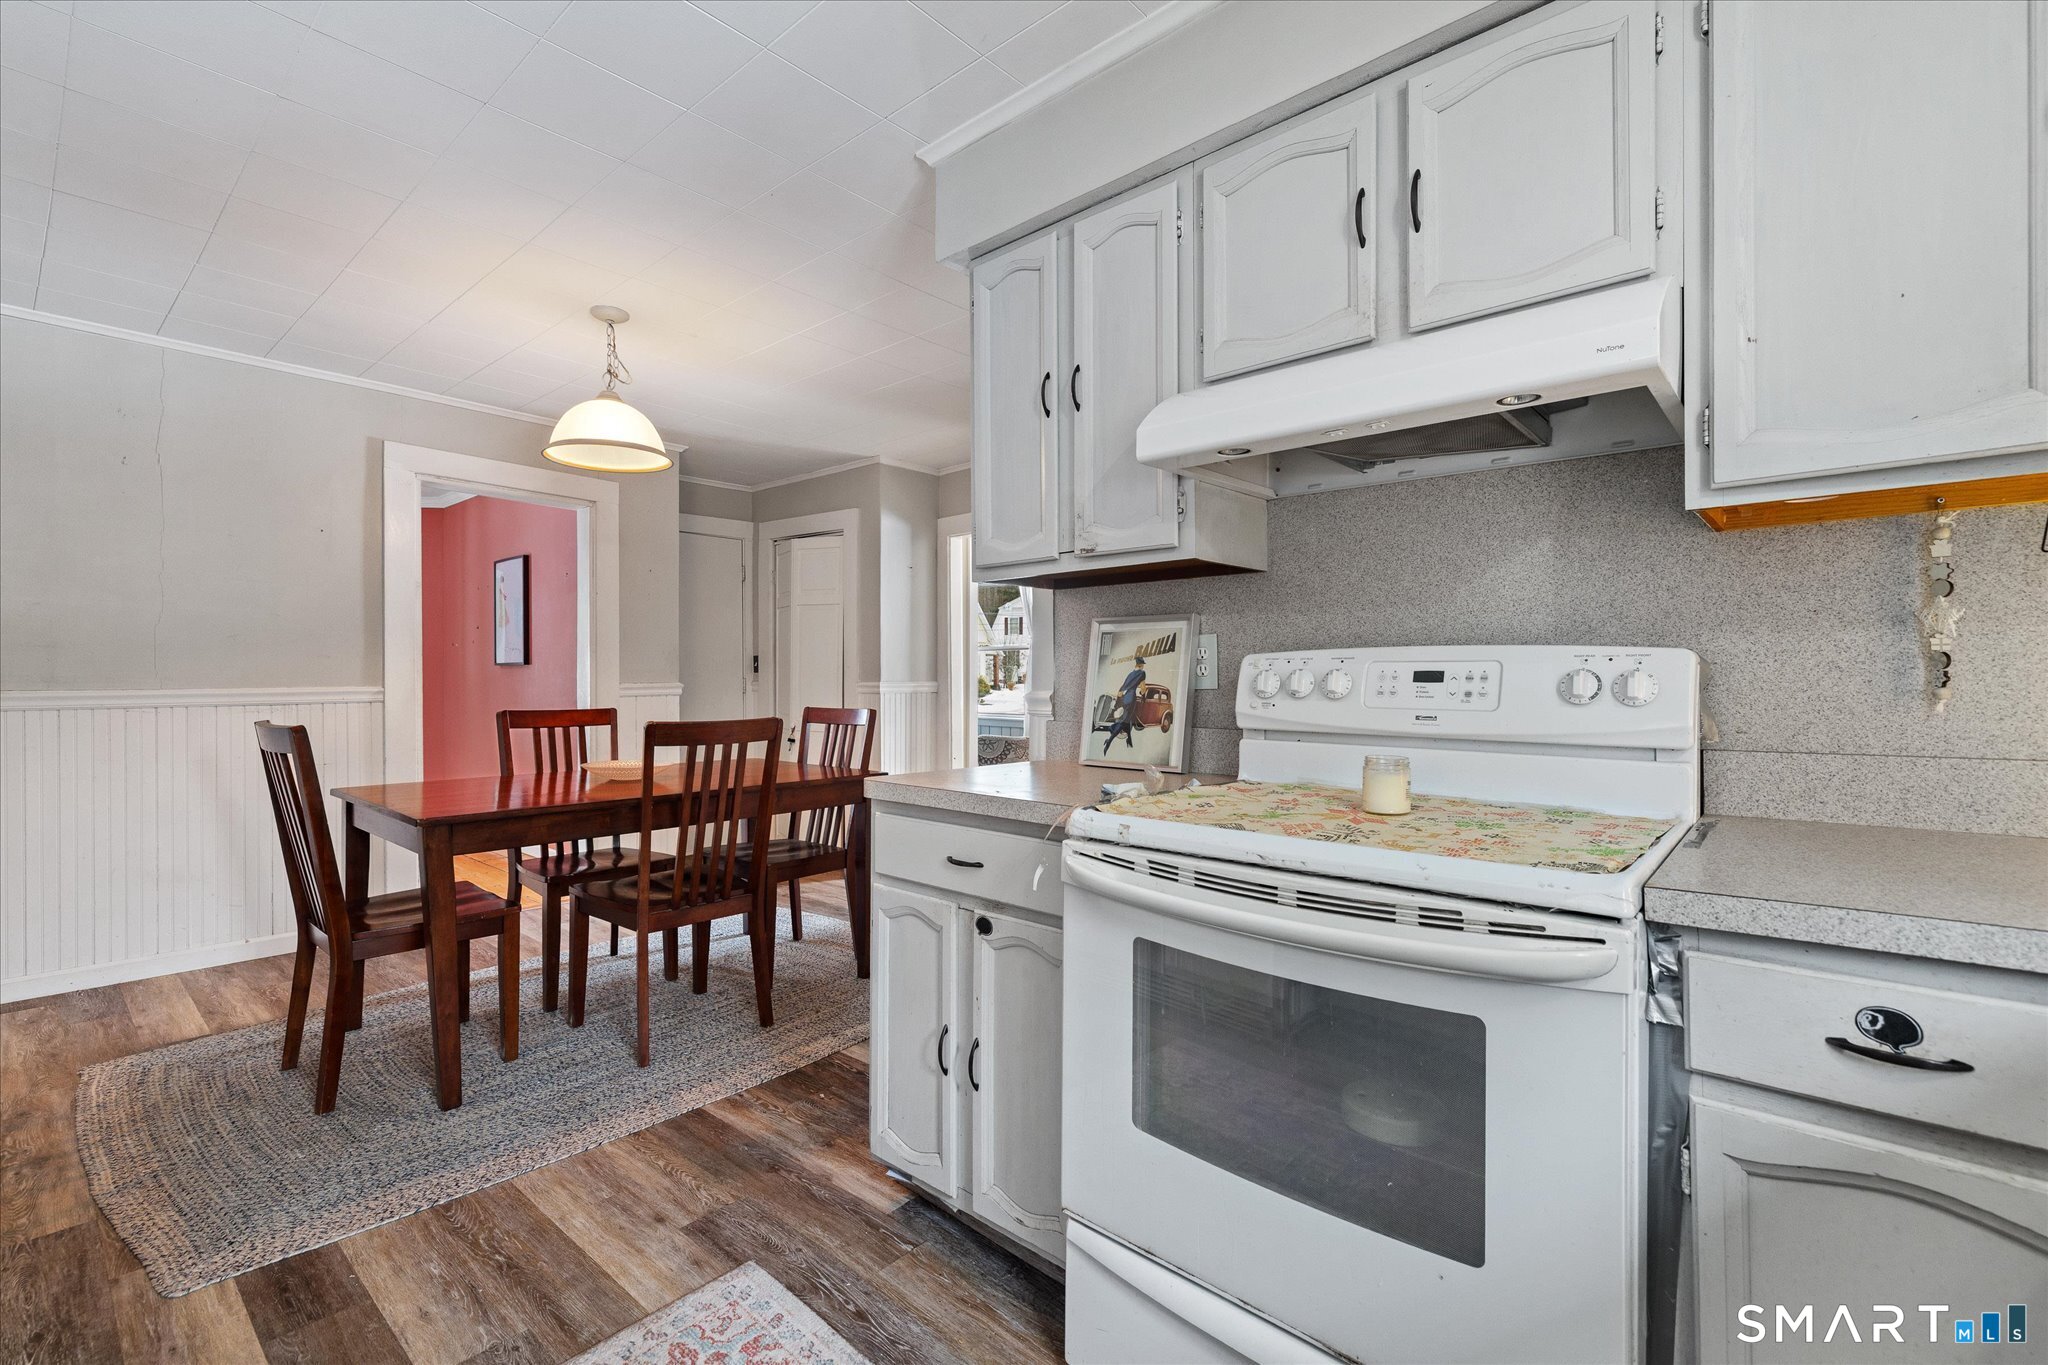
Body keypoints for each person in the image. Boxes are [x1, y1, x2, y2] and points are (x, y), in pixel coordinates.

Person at [1102, 653, 1147, 754]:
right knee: (1124, 721)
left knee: (1129, 719)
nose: (1143, 666)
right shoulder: (1142, 673)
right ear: (1140, 665)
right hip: (1132, 698)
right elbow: (1143, 688)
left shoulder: (1130, 674)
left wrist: (1119, 698)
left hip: (1125, 698)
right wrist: (1143, 696)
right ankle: (1108, 742)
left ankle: (1129, 740)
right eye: (1143, 664)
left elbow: (1122, 688)